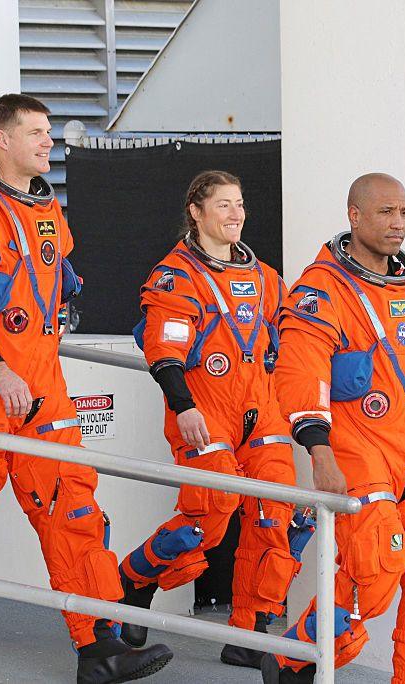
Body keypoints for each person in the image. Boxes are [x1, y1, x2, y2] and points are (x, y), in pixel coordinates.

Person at [0, 93, 172, 683]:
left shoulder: (44, 206)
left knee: (75, 512)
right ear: (1, 140)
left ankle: (100, 648)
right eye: (35, 132)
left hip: (42, 389)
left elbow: (54, 273)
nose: (47, 142)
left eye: (47, 132)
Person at [261, 173, 405, 684]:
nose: (398, 224)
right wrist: (319, 454)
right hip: (355, 452)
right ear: (354, 215)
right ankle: (295, 661)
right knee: (376, 568)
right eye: (387, 212)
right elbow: (300, 377)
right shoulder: (319, 291)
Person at [117, 170, 313, 670]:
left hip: (260, 410)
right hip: (204, 412)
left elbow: (291, 345)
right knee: (210, 512)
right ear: (196, 212)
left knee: (277, 514)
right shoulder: (177, 275)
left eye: (240, 204)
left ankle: (250, 632)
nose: (235, 214)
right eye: (223, 204)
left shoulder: (267, 279)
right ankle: (135, 580)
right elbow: (163, 350)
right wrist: (183, 407)